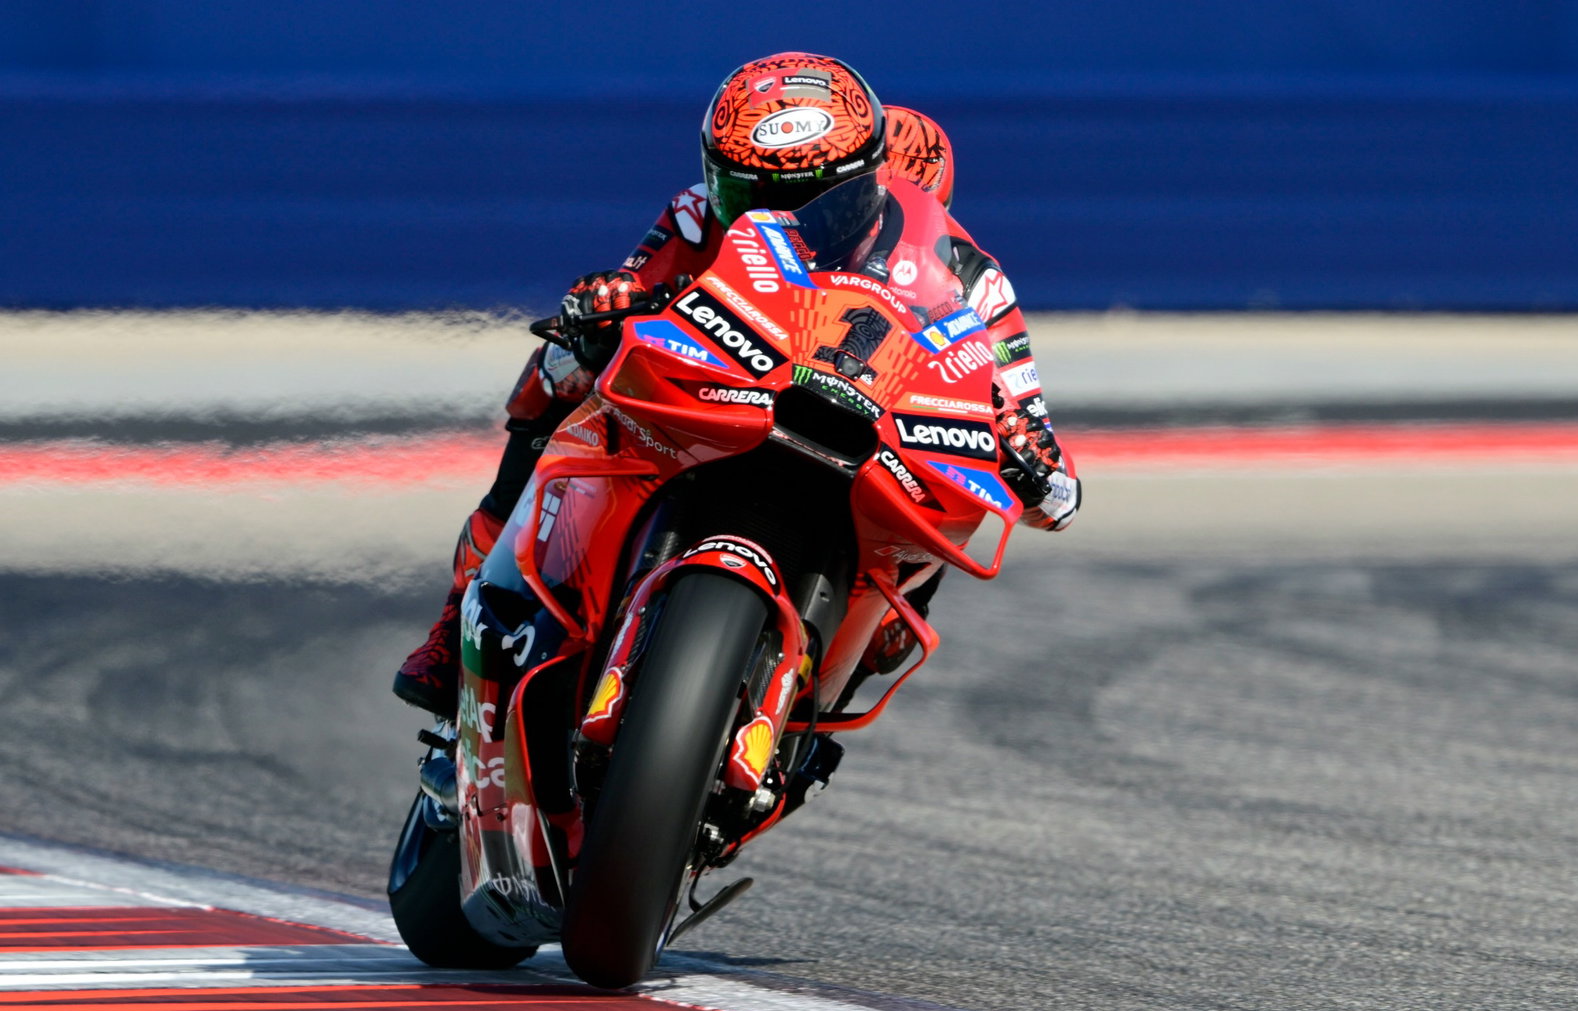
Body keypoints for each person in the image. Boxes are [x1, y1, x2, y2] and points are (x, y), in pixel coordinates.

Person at [393, 53, 1079, 716]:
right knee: (557, 367)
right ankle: (458, 618)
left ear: (870, 187)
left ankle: (804, 710)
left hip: (875, 450)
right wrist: (606, 303)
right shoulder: (696, 213)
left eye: (809, 202)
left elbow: (1045, 456)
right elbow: (634, 287)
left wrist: (1028, 452)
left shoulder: (972, 280)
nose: (771, 218)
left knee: (919, 584)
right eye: (745, 193)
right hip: (724, 404)